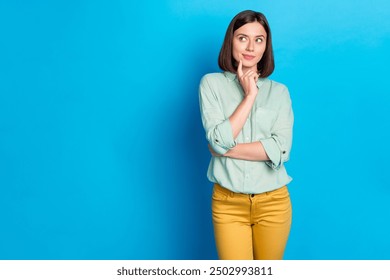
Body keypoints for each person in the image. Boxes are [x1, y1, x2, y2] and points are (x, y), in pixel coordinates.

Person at [198, 10, 294, 260]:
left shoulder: (279, 92)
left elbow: (281, 150)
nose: (251, 46)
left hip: (273, 203)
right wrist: (250, 96)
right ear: (230, 40)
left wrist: (226, 149)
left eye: (259, 39)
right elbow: (218, 141)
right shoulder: (211, 84)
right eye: (242, 38)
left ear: (266, 47)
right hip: (228, 204)